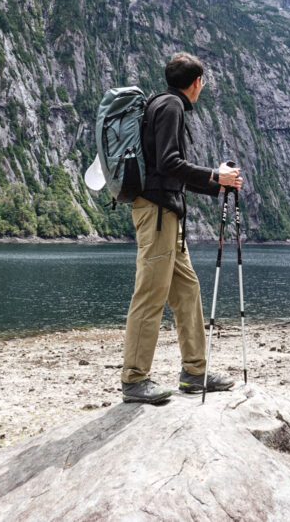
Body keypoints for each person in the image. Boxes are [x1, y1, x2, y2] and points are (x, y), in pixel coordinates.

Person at [121, 52, 244, 404]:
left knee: (187, 293)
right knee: (149, 296)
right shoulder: (172, 107)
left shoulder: (162, 104)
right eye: (203, 82)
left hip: (166, 214)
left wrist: (216, 184)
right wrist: (213, 175)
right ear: (196, 83)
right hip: (158, 214)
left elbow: (169, 170)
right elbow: (169, 162)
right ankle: (134, 379)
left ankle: (194, 373)